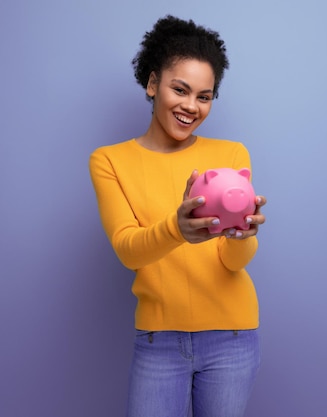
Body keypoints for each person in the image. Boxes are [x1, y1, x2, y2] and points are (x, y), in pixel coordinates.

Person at [89, 15, 267, 417]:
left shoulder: (231, 155)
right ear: (153, 85)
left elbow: (233, 262)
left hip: (232, 336)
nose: (191, 106)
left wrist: (243, 236)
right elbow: (128, 250)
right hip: (159, 341)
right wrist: (177, 229)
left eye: (204, 96)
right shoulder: (109, 161)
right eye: (180, 90)